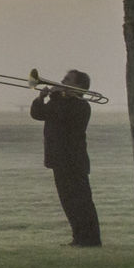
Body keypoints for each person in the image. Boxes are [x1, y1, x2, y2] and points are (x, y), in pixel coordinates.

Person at [30, 70, 102, 248]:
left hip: (73, 161)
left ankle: (90, 239)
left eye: (67, 79)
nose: (61, 81)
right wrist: (41, 98)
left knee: (81, 201)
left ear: (78, 86)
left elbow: (60, 115)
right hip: (59, 160)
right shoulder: (61, 102)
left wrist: (55, 97)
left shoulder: (80, 106)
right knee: (68, 202)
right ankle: (79, 238)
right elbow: (38, 114)